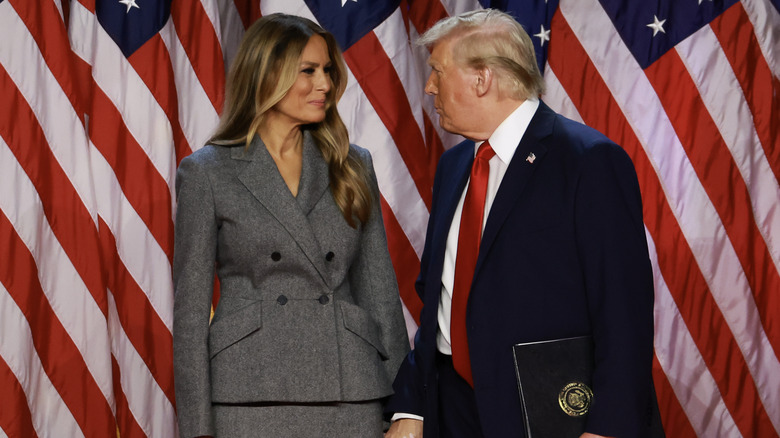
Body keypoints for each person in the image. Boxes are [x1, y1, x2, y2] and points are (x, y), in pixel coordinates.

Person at [385, 9, 660, 438]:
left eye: (438, 71)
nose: (429, 86)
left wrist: (608, 429)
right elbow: (438, 299)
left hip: (548, 414)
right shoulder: (455, 165)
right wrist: (412, 407)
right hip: (453, 412)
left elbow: (623, 311)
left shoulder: (587, 162)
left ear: (482, 79)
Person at [172, 13, 409, 438]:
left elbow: (380, 293)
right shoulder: (207, 173)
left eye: (328, 71)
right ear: (266, 75)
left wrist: (408, 409)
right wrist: (197, 428)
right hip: (248, 393)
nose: (325, 85)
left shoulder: (353, 164)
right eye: (309, 71)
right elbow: (190, 315)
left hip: (351, 391)